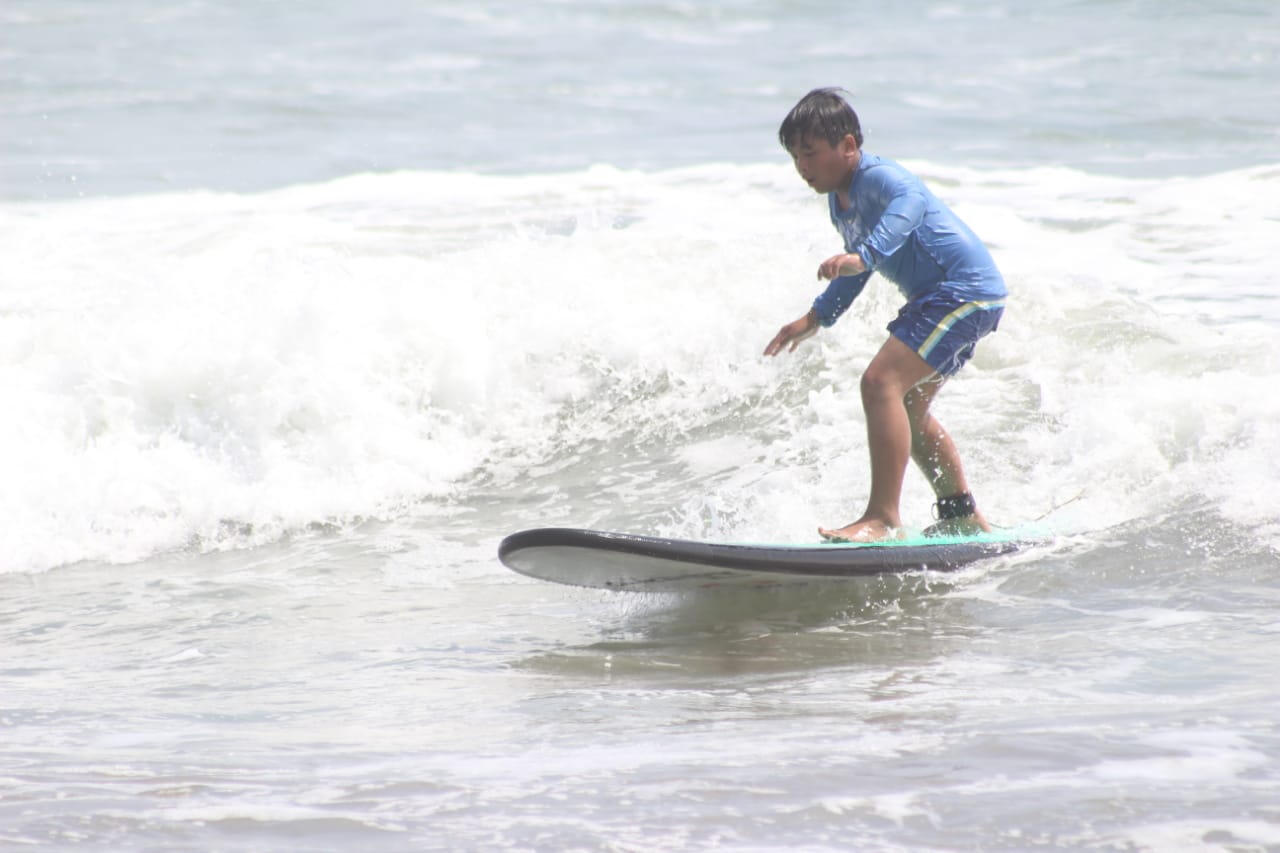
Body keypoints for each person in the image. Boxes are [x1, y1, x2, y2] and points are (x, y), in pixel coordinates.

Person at [764, 87, 1006, 543]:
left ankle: (882, 518)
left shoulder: (880, 178)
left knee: (880, 383)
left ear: (848, 145)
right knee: (908, 405)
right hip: (948, 299)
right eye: (795, 156)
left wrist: (864, 256)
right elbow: (856, 269)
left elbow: (910, 205)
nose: (802, 167)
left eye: (810, 153)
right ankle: (960, 513)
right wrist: (815, 318)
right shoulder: (840, 202)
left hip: (961, 293)